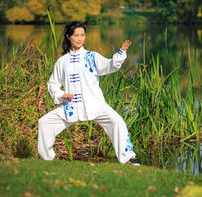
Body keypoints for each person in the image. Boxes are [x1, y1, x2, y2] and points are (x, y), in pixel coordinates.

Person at [38, 21, 140, 166]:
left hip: (95, 105)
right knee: (44, 123)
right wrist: (61, 95)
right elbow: (52, 83)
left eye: (83, 35)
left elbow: (110, 65)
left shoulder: (92, 57)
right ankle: (47, 158)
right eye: (76, 35)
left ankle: (128, 158)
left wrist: (121, 52)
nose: (80, 38)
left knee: (117, 122)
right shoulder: (62, 62)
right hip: (71, 108)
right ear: (68, 37)